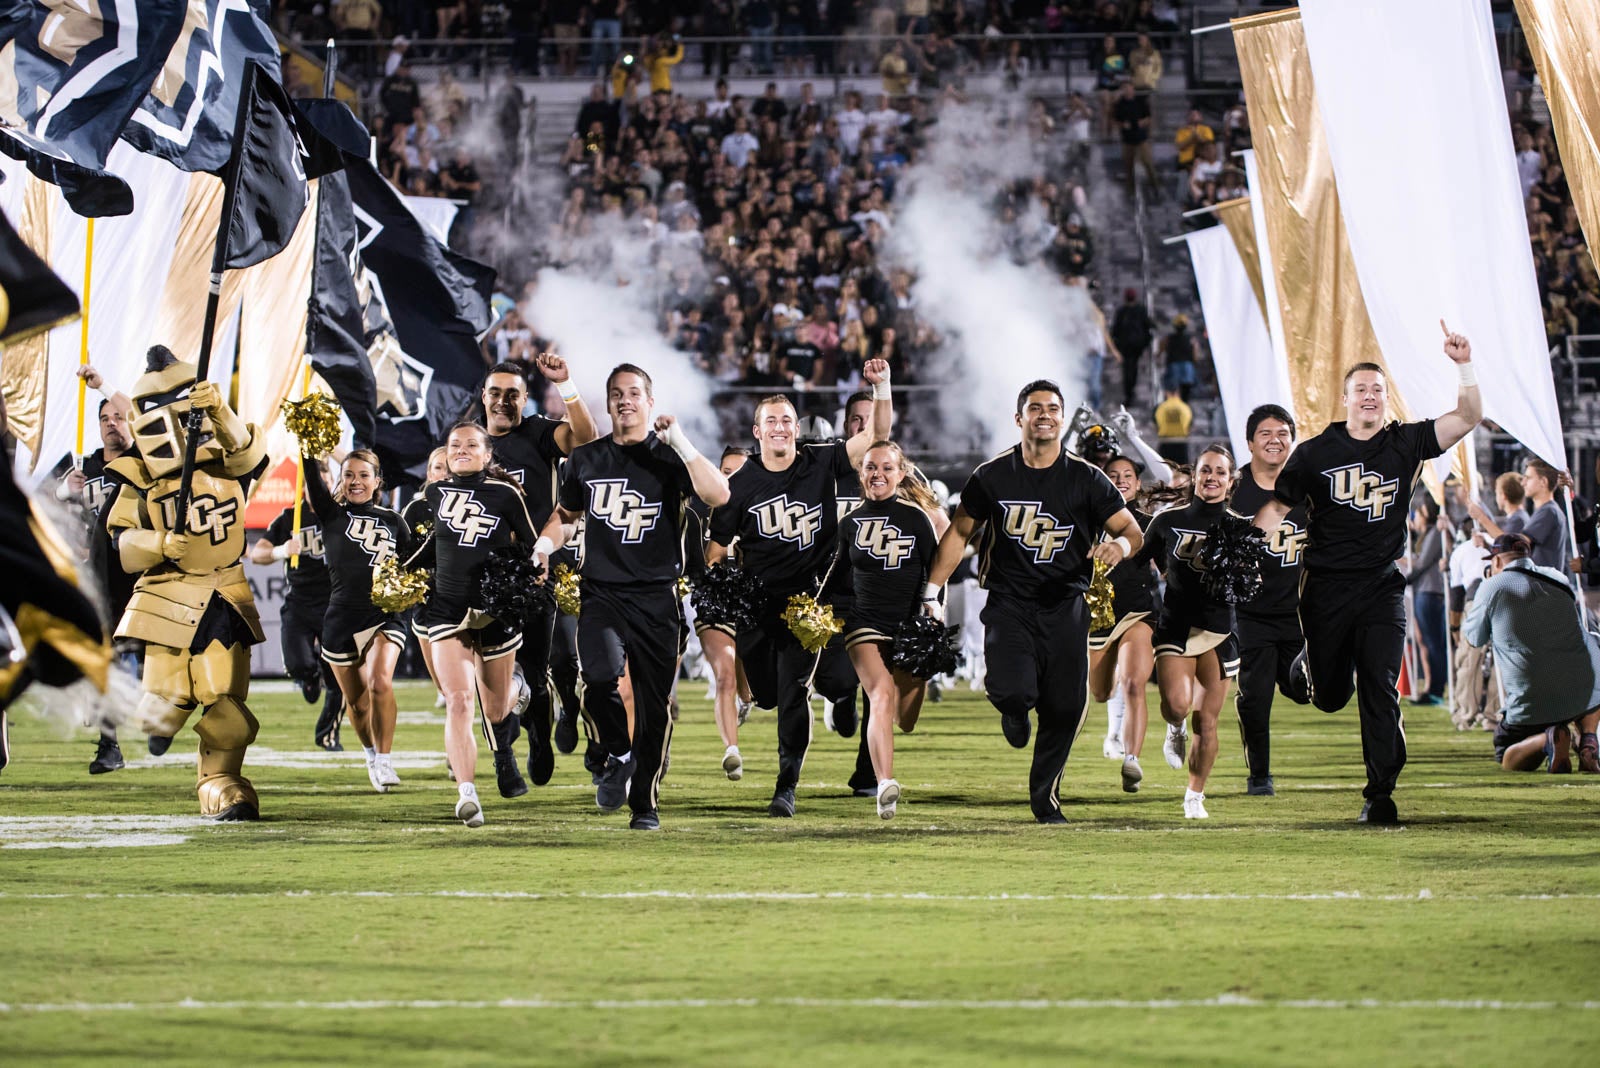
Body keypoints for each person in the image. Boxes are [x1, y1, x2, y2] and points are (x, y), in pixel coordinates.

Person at [1251, 324, 1482, 824]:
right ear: (1345, 399)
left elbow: (1468, 416)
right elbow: (1277, 508)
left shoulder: (1406, 442)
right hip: (1325, 589)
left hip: (1381, 586)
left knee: (1380, 686)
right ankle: (1310, 668)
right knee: (1332, 698)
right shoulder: (1313, 453)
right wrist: (1247, 547)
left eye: (1378, 389)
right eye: (1362, 390)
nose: (1371, 396)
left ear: (1386, 398)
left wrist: (1463, 365)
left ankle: (1381, 793)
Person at [927, 380, 1145, 823]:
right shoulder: (992, 474)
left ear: (1062, 419)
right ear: (1018, 418)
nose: (1044, 414)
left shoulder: (1086, 477)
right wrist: (931, 591)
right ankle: (1013, 710)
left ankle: (1044, 798)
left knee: (1065, 706)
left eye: (1052, 408)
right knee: (1012, 690)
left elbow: (1132, 532)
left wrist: (1117, 549)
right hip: (1009, 600)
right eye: (1034, 408)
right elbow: (959, 533)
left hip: (1066, 603)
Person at [537, 365, 731, 831]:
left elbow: (719, 494)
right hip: (601, 592)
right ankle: (619, 753)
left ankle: (644, 800)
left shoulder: (669, 458)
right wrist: (544, 547)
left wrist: (681, 443)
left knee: (652, 704)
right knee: (599, 679)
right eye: (617, 394)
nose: (625, 400)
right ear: (607, 404)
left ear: (649, 400)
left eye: (634, 393)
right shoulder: (585, 459)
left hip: (656, 598)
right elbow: (566, 514)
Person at [707, 360, 893, 817]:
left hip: (809, 602)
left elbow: (875, 438)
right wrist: (726, 574)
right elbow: (714, 551)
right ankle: (827, 701)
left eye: (787, 420)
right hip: (757, 603)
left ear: (796, 429)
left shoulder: (820, 460)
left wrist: (882, 386)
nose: (779, 428)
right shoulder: (738, 484)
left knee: (794, 690)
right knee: (767, 694)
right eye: (770, 421)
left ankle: (785, 784)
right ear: (756, 431)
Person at [104, 347, 268, 819]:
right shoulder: (138, 478)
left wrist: (219, 408)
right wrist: (156, 543)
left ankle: (221, 784)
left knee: (228, 706)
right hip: (168, 596)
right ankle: (160, 722)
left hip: (224, 592)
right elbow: (122, 541)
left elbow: (248, 453)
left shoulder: (225, 459)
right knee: (166, 702)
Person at [409, 423, 541, 826]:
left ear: (487, 455)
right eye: (454, 445)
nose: (461, 450)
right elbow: (435, 545)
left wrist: (522, 583)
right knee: (460, 699)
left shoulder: (506, 494)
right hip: (448, 610)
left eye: (471, 445)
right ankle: (466, 793)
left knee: (497, 709)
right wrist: (400, 574)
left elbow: (530, 547)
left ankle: (519, 688)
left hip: (495, 611)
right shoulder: (433, 493)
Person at [476, 355, 598, 790]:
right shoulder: (471, 442)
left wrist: (566, 386)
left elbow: (585, 437)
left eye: (513, 394)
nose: (504, 401)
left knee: (563, 658)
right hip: (491, 573)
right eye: (496, 392)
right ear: (483, 396)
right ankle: (538, 738)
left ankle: (569, 705)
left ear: (525, 399)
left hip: (547, 562)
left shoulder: (538, 432)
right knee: (524, 669)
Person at [825, 441, 948, 819]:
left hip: (910, 628)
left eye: (886, 468)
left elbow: (936, 570)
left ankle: (881, 772)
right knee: (879, 695)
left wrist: (935, 608)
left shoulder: (918, 520)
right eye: (870, 468)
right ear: (860, 474)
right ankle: (883, 784)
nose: (878, 474)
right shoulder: (848, 524)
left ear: (901, 473)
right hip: (864, 624)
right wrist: (819, 613)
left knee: (904, 719)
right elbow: (837, 579)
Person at [1136, 445, 1244, 819]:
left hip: (1220, 629)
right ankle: (1173, 727)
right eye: (1205, 471)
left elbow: (1252, 583)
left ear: (1230, 481)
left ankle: (1194, 795)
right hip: (1176, 626)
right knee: (1178, 706)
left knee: (1208, 720)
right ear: (1195, 476)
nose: (1212, 478)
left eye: (1220, 472)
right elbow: (1139, 560)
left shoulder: (1239, 527)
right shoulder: (1167, 520)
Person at [303, 451, 409, 794]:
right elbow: (313, 481)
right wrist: (307, 447)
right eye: (348, 475)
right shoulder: (331, 514)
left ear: (377, 481)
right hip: (341, 617)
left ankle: (386, 759)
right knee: (358, 703)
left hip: (384, 615)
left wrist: (407, 589)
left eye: (364, 475)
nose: (356, 482)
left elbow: (415, 566)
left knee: (380, 683)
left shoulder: (394, 520)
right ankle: (369, 753)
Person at [50, 367, 138, 774]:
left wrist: (102, 386)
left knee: (136, 661)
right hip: (96, 578)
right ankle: (109, 744)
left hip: (138, 576)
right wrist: (63, 494)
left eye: (117, 418)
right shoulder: (82, 466)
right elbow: (41, 506)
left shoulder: (141, 462)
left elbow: (135, 410)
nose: (112, 425)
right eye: (104, 419)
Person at [1463, 533, 1600, 774]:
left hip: (1532, 701)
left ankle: (1547, 740)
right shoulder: (1557, 577)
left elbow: (1474, 638)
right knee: (1588, 671)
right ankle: (1589, 740)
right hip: (1582, 691)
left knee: (1506, 753)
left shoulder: (1492, 586)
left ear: (1496, 562)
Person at [1227, 405, 1310, 796]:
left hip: (1302, 613)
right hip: (1251, 613)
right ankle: (1259, 774)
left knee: (1308, 692)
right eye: (1266, 433)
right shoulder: (1233, 489)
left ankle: (1293, 674)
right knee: (1255, 699)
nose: (1275, 440)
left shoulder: (1312, 486)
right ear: (1250, 443)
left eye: (1282, 433)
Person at [248, 496, 344, 751]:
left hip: (336, 601)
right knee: (296, 663)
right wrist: (282, 550)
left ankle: (328, 734)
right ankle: (311, 676)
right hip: (299, 600)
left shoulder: (340, 514)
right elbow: (257, 554)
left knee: (340, 677)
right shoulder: (290, 517)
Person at [1088, 455, 1159, 793]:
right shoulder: (1086, 520)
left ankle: (1132, 759)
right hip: (1097, 619)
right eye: (1113, 475)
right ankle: (1113, 673)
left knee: (1133, 684)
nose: (1121, 480)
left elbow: (1170, 570)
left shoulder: (1149, 522)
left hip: (1137, 614)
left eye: (1128, 475)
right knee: (1100, 693)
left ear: (1138, 483)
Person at [695, 447, 754, 780]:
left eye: (741, 472)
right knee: (724, 676)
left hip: (752, 600)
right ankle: (732, 749)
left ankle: (745, 701)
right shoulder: (701, 510)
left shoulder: (761, 508)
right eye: (727, 471)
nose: (733, 478)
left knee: (747, 689)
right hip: (715, 598)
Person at [400, 447, 452, 710]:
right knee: (444, 687)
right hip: (427, 601)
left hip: (462, 598)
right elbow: (402, 555)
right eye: (437, 467)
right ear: (429, 473)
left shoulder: (475, 500)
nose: (444, 473)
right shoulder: (415, 508)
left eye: (448, 466)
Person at [1406, 500, 1449, 707]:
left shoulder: (1434, 534)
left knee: (1433, 643)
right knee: (1427, 641)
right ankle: (1432, 687)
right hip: (1424, 590)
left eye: (1419, 513)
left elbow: (1422, 563)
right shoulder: (1426, 536)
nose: (1416, 517)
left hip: (1430, 591)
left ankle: (1436, 689)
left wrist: (1405, 580)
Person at [1113, 82, 1160, 200]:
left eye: (1129, 88)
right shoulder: (1119, 104)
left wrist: (1142, 123)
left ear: (1133, 89)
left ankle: (1156, 188)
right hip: (1127, 140)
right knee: (1129, 168)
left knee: (1148, 164)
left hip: (1141, 139)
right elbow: (1115, 120)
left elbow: (1149, 118)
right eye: (1125, 88)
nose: (1127, 90)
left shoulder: (1140, 102)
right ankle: (1130, 193)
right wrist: (1123, 125)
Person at [1110, 289, 1154, 409]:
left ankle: (1129, 392)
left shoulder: (1123, 311)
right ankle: (1130, 391)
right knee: (1132, 368)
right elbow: (1149, 324)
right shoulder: (1140, 310)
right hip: (1135, 345)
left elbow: (1115, 329)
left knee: (1128, 369)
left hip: (1127, 345)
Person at [1153, 386, 1192, 465]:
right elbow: (1190, 424)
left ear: (1167, 393)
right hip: (1181, 443)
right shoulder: (1185, 407)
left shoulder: (1160, 407)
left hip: (1165, 442)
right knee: (1183, 471)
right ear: (1178, 393)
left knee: (1164, 471)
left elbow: (1155, 423)